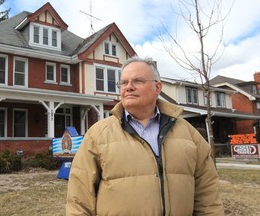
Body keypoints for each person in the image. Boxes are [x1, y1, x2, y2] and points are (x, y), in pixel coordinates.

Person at [66, 56, 224, 215]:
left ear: (158, 87)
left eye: (137, 81)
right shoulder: (97, 135)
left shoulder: (189, 134)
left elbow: (208, 197)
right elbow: (79, 199)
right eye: (124, 82)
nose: (128, 87)